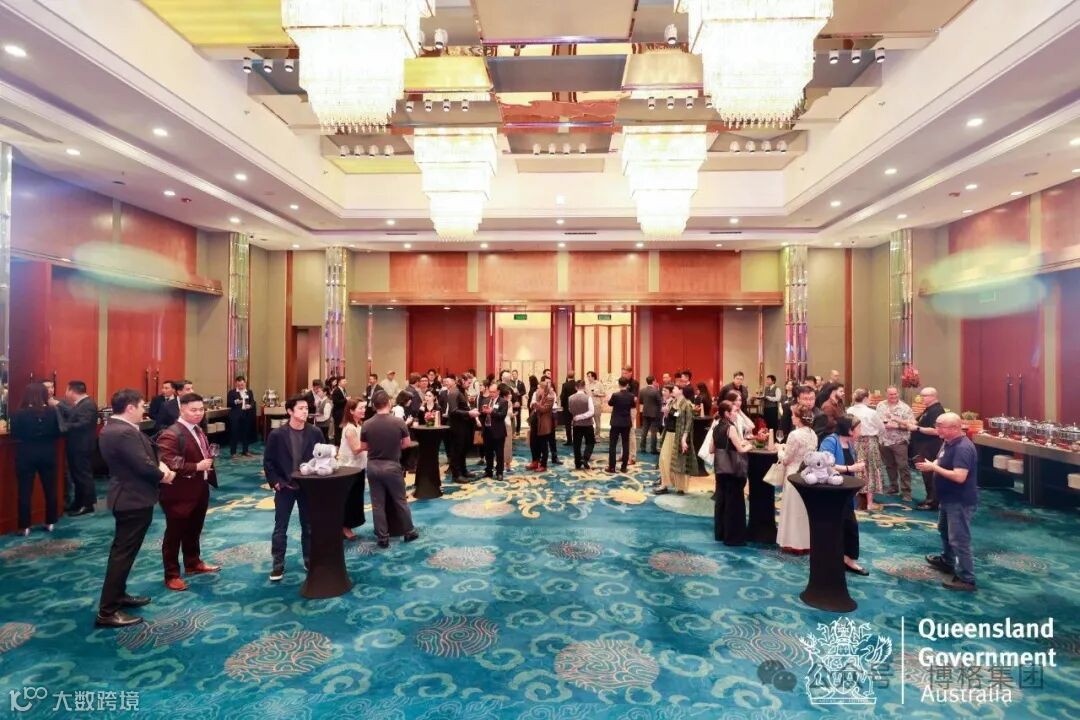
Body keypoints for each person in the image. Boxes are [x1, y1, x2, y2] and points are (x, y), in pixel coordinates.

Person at [95, 389, 176, 627]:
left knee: (124, 552)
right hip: (132, 498)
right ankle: (107, 611)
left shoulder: (115, 428)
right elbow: (142, 465)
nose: (144, 411)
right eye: (142, 406)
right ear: (130, 407)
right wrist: (164, 476)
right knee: (122, 554)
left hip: (129, 496)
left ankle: (118, 595)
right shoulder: (123, 432)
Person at [156, 393, 221, 591]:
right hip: (179, 492)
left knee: (194, 529)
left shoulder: (197, 429)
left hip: (200, 488)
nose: (198, 413)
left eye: (201, 409)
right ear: (181, 410)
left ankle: (193, 562)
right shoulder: (171, 433)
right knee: (174, 534)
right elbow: (170, 462)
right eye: (193, 410)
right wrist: (197, 466)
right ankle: (171, 575)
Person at [263, 395, 323, 581]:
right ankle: (278, 565)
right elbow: (268, 462)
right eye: (301, 408)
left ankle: (309, 560)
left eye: (306, 408)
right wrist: (276, 482)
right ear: (290, 411)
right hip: (285, 486)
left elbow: (323, 458)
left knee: (309, 526)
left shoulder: (315, 432)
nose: (305, 411)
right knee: (280, 527)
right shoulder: (277, 434)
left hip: (308, 486)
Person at [916, 412, 978, 592]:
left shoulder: (963, 448)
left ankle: (967, 579)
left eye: (940, 426)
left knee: (959, 539)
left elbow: (960, 476)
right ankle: (947, 561)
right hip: (947, 497)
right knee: (944, 530)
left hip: (959, 500)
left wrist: (934, 468)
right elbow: (941, 459)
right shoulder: (947, 441)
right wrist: (933, 463)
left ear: (954, 428)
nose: (936, 429)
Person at [361, 391, 420, 548]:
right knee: (400, 500)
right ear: (388, 403)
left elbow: (364, 446)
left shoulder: (367, 424)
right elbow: (406, 444)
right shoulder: (398, 422)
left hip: (373, 466)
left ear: (374, 406)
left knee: (377, 504)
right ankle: (409, 531)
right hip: (392, 466)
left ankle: (382, 537)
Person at [819, 415, 869, 576]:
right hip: (832, 490)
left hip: (846, 489)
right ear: (849, 430)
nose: (860, 431)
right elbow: (823, 464)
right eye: (858, 428)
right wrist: (850, 468)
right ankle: (843, 559)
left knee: (847, 525)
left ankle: (846, 558)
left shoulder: (849, 443)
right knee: (844, 524)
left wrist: (855, 468)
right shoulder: (830, 441)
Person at [11, 382, 61, 535]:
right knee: (50, 489)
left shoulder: (19, 413)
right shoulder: (52, 412)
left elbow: (14, 434)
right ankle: (50, 522)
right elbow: (58, 432)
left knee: (25, 491)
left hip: (26, 454)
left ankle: (25, 526)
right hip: (48, 453)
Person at [53, 380, 99, 516]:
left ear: (72, 391)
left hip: (82, 446)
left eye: (67, 390)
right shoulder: (80, 404)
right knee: (77, 475)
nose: (65, 393)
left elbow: (83, 423)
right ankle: (79, 502)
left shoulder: (88, 404)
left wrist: (64, 427)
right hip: (77, 445)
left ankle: (87, 504)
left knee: (83, 475)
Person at [713, 400, 754, 546]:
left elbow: (712, 449)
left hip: (720, 468)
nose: (737, 414)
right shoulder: (730, 428)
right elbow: (741, 449)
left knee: (721, 501)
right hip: (732, 469)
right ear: (727, 413)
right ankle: (733, 537)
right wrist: (750, 446)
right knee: (734, 502)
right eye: (735, 411)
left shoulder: (716, 426)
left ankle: (721, 533)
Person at [776, 411, 817, 554]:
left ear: (799, 419)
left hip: (793, 473)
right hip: (807, 473)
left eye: (794, 415)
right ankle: (805, 543)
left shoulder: (794, 434)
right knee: (803, 509)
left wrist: (779, 450)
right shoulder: (813, 434)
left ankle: (792, 543)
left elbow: (786, 459)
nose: (792, 417)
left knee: (792, 508)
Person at [848, 389, 887, 511]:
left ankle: (854, 500)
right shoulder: (871, 412)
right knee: (870, 470)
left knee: (855, 468)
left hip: (853, 442)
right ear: (865, 398)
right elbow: (882, 428)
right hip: (870, 442)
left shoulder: (849, 410)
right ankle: (869, 503)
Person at [877, 386, 916, 501]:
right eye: (891, 394)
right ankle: (893, 487)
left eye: (895, 394)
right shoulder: (880, 405)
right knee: (889, 466)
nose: (893, 396)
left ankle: (906, 492)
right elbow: (878, 420)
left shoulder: (905, 408)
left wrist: (896, 426)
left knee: (903, 467)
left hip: (899, 441)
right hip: (883, 440)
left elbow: (911, 425)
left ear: (898, 394)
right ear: (886, 394)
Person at [337, 398, 368, 541]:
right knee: (349, 500)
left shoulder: (359, 424)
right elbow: (356, 449)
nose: (363, 410)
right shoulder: (349, 428)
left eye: (364, 407)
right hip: (348, 469)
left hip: (358, 467)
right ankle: (344, 527)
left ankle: (348, 525)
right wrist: (373, 443)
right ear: (351, 411)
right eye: (360, 408)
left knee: (356, 498)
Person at [912, 387, 946, 511]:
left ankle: (933, 501)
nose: (921, 399)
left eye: (924, 396)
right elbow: (918, 422)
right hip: (924, 446)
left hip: (931, 446)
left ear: (932, 396)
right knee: (926, 474)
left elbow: (936, 431)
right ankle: (930, 498)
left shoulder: (937, 410)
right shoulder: (928, 409)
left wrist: (917, 429)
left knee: (930, 474)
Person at [445, 375, 479, 483]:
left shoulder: (462, 391)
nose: (470, 385)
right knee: (457, 451)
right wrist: (469, 413)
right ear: (463, 381)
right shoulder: (454, 392)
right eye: (468, 383)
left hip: (463, 426)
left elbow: (462, 407)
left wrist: (470, 410)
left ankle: (463, 471)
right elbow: (453, 411)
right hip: (456, 427)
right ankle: (456, 475)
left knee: (463, 450)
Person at [478, 382, 509, 479]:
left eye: (493, 392)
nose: (491, 394)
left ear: (498, 392)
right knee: (488, 453)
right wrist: (482, 412)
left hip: (498, 432)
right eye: (490, 392)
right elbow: (482, 414)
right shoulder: (486, 400)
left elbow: (502, 416)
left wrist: (492, 411)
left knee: (499, 453)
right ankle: (488, 471)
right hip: (487, 431)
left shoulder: (503, 402)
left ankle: (499, 472)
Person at [606, 377, 636, 473]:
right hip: (626, 422)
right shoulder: (631, 396)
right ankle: (624, 467)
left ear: (619, 384)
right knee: (625, 444)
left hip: (615, 422)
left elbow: (610, 404)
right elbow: (633, 405)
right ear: (627, 385)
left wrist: (608, 399)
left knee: (612, 445)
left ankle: (612, 467)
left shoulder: (615, 395)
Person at [653, 385, 678, 494]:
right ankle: (663, 478)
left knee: (666, 457)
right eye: (662, 390)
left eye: (665, 390)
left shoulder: (674, 402)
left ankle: (666, 481)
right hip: (664, 428)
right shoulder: (664, 401)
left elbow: (679, 414)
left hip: (671, 431)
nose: (663, 392)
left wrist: (669, 412)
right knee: (663, 457)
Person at [527, 379, 556, 471]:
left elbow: (544, 409)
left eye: (539, 388)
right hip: (535, 422)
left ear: (544, 389)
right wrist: (534, 404)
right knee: (533, 443)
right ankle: (535, 461)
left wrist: (536, 404)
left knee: (543, 445)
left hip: (543, 424)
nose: (537, 390)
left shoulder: (550, 397)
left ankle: (543, 465)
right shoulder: (538, 395)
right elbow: (533, 406)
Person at [567, 379, 595, 471]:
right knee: (590, 442)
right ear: (584, 387)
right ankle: (585, 458)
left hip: (576, 424)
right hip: (587, 424)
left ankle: (577, 463)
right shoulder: (588, 398)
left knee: (577, 444)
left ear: (576, 387)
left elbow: (570, 410)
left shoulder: (570, 398)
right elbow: (591, 412)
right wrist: (582, 416)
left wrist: (577, 416)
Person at [227, 375, 257, 457]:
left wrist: (250, 406)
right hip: (235, 416)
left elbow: (252, 401)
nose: (241, 386)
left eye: (242, 384)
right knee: (234, 433)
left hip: (246, 415)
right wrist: (236, 402)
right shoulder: (232, 392)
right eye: (239, 385)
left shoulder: (249, 392)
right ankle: (233, 453)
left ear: (245, 383)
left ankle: (245, 451)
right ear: (236, 384)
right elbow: (229, 403)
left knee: (246, 433)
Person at [620, 366, 640, 462]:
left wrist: (623, 397)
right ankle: (623, 454)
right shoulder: (622, 381)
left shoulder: (634, 383)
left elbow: (634, 399)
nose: (623, 375)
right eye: (622, 373)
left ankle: (632, 456)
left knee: (631, 432)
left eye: (625, 373)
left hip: (631, 410)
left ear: (630, 373)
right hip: (622, 409)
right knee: (623, 432)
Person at [638, 375, 661, 455]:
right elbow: (659, 402)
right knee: (653, 432)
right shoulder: (655, 391)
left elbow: (640, 401)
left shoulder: (642, 390)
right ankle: (653, 449)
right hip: (654, 413)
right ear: (653, 381)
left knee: (644, 431)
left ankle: (642, 448)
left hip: (645, 412)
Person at [559, 373, 577, 446]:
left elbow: (563, 396)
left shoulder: (565, 385)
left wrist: (562, 406)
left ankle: (569, 440)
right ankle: (576, 439)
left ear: (567, 377)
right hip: (576, 406)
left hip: (567, 406)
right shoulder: (577, 384)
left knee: (568, 424)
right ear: (574, 376)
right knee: (576, 423)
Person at [330, 376, 349, 445]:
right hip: (338, 413)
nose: (346, 382)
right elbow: (335, 402)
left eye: (346, 381)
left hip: (343, 412)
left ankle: (341, 443)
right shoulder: (336, 390)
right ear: (339, 383)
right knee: (338, 429)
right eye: (344, 381)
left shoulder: (344, 389)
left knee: (342, 428)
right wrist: (345, 399)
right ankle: (337, 444)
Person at [510, 370, 526, 435]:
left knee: (518, 416)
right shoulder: (510, 383)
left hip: (518, 401)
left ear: (517, 375)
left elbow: (524, 391)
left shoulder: (521, 383)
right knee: (511, 416)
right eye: (513, 374)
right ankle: (512, 430)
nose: (514, 375)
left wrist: (519, 394)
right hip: (511, 402)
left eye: (515, 374)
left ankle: (518, 430)